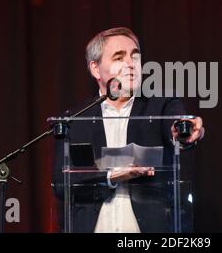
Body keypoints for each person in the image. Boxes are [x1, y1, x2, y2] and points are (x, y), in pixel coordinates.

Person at [52, 27, 205, 233]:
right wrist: (111, 176)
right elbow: (62, 183)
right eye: (118, 57)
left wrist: (187, 132)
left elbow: (177, 126)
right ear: (96, 69)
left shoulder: (160, 107)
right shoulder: (75, 120)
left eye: (135, 57)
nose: (130, 64)